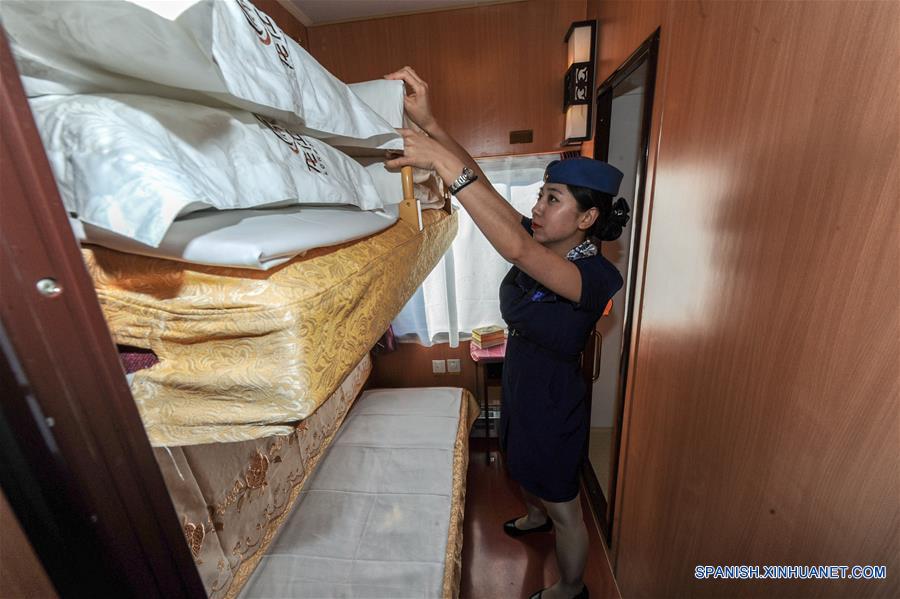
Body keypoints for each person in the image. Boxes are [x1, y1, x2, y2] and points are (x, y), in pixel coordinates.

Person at [384, 66, 630, 599]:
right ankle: (534, 514)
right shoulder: (541, 238)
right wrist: (433, 127)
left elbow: (513, 250)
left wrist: (445, 167)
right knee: (522, 465)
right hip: (521, 379)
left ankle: (570, 586)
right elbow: (485, 187)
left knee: (565, 505)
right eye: (541, 195)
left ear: (587, 219)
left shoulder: (595, 276)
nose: (537, 209)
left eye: (553, 200)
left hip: (555, 399)